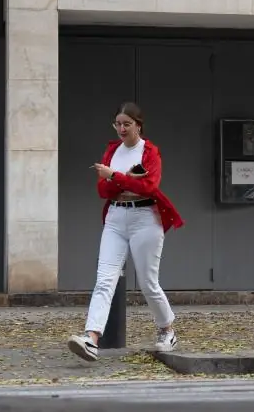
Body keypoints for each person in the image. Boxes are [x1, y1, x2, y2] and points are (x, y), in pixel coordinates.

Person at [69, 102, 185, 362]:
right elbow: (103, 191)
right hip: (115, 217)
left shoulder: (149, 151)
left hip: (145, 217)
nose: (121, 129)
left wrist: (114, 176)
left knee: (147, 282)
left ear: (138, 126)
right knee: (104, 279)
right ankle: (91, 337)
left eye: (127, 124)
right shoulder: (113, 150)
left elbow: (149, 186)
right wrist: (120, 180)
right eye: (117, 124)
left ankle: (167, 330)